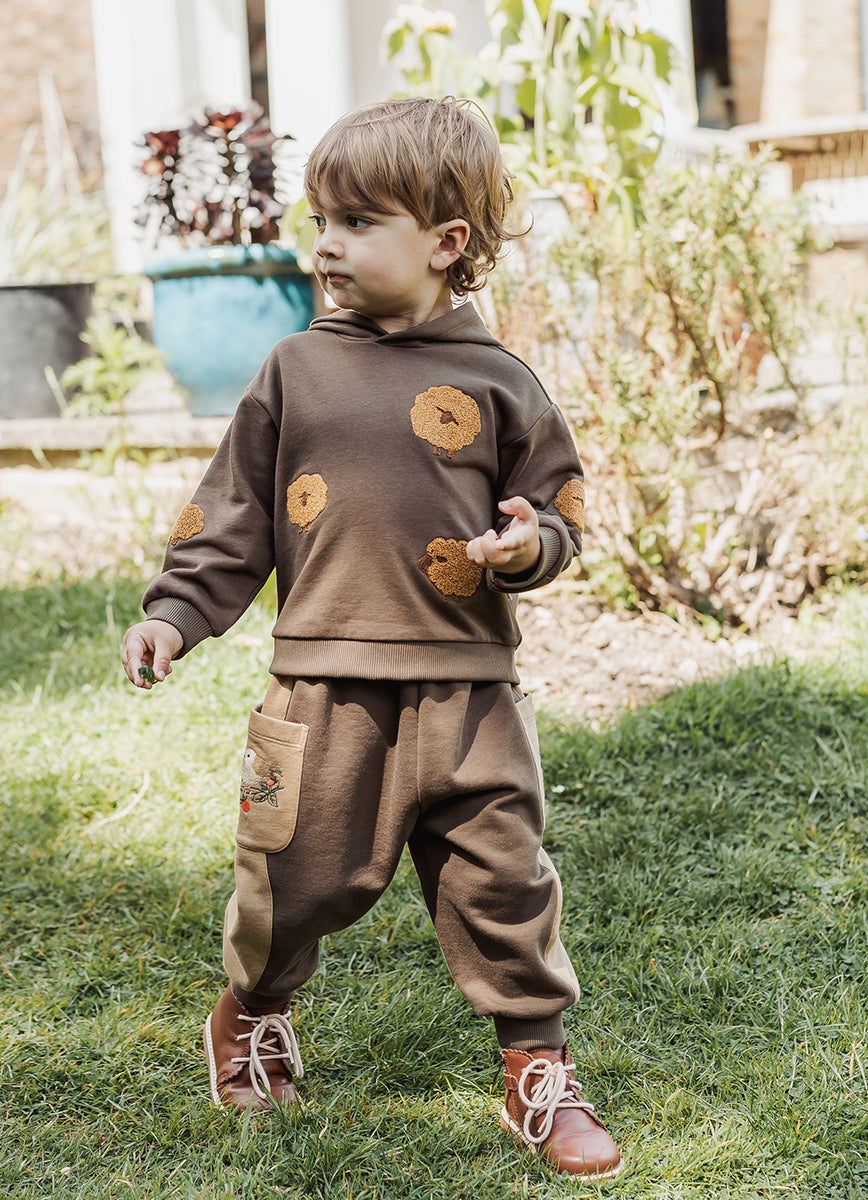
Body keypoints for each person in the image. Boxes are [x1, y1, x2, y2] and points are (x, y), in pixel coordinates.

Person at [121, 96, 622, 1181]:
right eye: (322, 221)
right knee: (293, 877)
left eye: (357, 222)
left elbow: (560, 516)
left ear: (446, 242)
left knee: (504, 879)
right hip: (320, 690)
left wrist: (526, 546)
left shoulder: (503, 383)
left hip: (471, 694)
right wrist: (174, 612)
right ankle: (251, 1012)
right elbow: (232, 515)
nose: (326, 245)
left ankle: (536, 1067)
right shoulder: (294, 371)